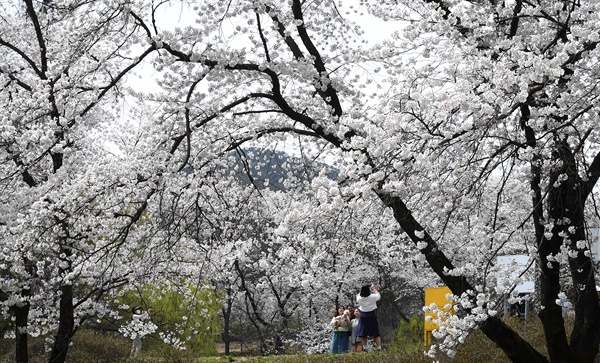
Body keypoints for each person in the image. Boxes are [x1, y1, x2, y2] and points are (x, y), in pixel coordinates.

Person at [356, 283, 382, 351]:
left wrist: (362, 288)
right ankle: (379, 348)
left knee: (364, 333)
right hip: (371, 314)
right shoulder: (372, 297)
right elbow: (378, 295)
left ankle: (364, 348)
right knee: (375, 332)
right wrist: (373, 289)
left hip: (363, 315)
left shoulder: (359, 298)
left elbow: (359, 294)